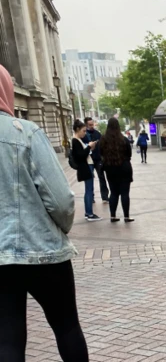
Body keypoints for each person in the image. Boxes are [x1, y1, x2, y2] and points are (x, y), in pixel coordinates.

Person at [0, 64, 89, 361]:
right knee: (66, 328)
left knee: (7, 339)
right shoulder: (25, 133)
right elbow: (61, 199)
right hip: (43, 250)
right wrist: (62, 228)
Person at [99, 118, 135, 223]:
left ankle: (113, 216)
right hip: (124, 167)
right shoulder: (123, 139)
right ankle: (127, 216)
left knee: (113, 193)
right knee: (125, 193)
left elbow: (100, 153)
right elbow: (129, 154)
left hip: (110, 168)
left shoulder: (103, 140)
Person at [71, 119, 101, 222]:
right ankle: (89, 213)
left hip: (87, 166)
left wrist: (89, 148)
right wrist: (89, 147)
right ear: (78, 129)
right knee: (89, 190)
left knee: (89, 190)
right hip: (85, 167)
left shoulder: (78, 140)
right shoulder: (75, 141)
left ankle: (89, 212)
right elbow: (80, 155)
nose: (84, 133)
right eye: (83, 131)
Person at [83, 117, 109, 204]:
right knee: (90, 179)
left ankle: (105, 196)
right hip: (88, 160)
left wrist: (103, 157)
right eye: (89, 125)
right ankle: (91, 197)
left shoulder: (97, 134)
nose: (91, 126)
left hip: (98, 159)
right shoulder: (84, 135)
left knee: (102, 177)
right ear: (86, 125)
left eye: (92, 124)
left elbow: (103, 146)